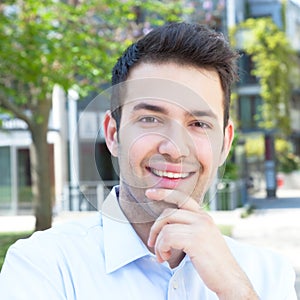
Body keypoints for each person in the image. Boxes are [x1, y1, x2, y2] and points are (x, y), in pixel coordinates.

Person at [0, 22, 296, 299]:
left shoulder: (268, 275)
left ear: (224, 144)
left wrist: (237, 291)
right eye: (151, 119)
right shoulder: (42, 266)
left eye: (199, 124)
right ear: (114, 134)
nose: (174, 148)